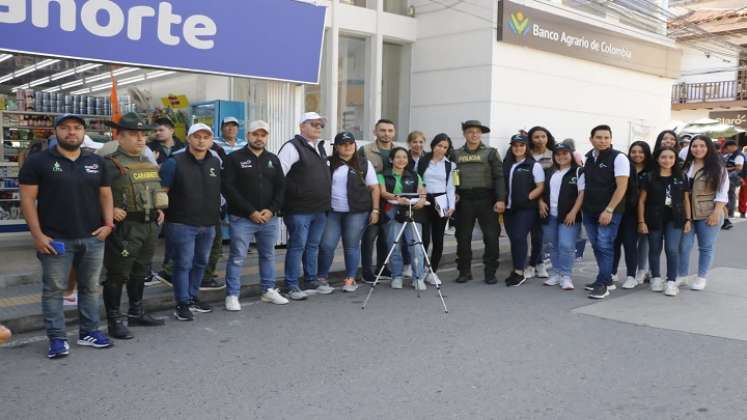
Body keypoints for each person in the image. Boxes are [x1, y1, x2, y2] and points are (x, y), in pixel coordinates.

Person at [19, 113, 114, 358]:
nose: (71, 132)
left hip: (93, 237)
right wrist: (38, 235)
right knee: (54, 290)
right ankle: (57, 339)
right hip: (55, 239)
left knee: (90, 288)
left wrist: (109, 225)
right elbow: (27, 200)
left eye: (76, 128)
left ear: (84, 133)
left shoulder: (96, 162)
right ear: (56, 132)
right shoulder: (38, 162)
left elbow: (105, 195)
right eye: (65, 128)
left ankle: (89, 332)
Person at [100, 113, 167, 339]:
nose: (140, 139)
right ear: (119, 137)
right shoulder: (110, 164)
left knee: (141, 271)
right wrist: (108, 212)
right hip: (126, 228)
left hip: (148, 226)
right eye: (133, 135)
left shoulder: (148, 162)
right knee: (118, 274)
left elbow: (152, 189)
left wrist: (159, 209)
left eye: (142, 135)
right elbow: (92, 194)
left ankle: (136, 312)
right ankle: (114, 320)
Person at [222, 120, 288, 310]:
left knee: (268, 255)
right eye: (255, 134)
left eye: (263, 135)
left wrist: (272, 209)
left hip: (269, 218)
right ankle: (232, 294)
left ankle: (268, 290)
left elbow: (281, 187)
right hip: (242, 218)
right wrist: (250, 211)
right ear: (248, 135)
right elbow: (228, 188)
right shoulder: (234, 158)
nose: (259, 138)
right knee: (237, 256)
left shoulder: (273, 159)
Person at [159, 123, 222, 321]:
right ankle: (182, 302)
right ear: (188, 138)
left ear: (211, 140)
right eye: (197, 136)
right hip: (181, 224)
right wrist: (160, 214)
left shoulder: (214, 161)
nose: (201, 140)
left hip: (208, 223)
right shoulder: (174, 162)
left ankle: (193, 297)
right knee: (183, 264)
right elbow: (162, 192)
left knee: (201, 262)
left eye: (206, 137)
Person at [278, 112, 332, 300]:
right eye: (313, 124)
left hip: (319, 208)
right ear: (302, 126)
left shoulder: (320, 147)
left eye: (320, 125)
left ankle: (310, 279)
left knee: (312, 246)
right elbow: (278, 176)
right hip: (299, 208)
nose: (318, 127)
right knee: (297, 246)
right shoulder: (292, 147)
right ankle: (291, 285)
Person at [318, 132, 380, 292]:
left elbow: (374, 188)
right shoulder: (328, 163)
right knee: (326, 245)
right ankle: (322, 278)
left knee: (351, 246)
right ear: (337, 147)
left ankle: (350, 279)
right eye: (343, 144)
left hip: (357, 212)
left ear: (355, 145)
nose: (347, 147)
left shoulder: (364, 163)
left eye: (350, 143)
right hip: (333, 212)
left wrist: (375, 209)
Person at [453, 120, 506, 284]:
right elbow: (453, 176)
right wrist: (453, 193)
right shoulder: (455, 153)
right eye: (470, 131)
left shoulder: (491, 152)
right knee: (463, 237)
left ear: (481, 134)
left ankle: (490, 272)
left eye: (477, 132)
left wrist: (501, 199)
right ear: (464, 134)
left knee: (491, 237)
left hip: (486, 199)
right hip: (464, 200)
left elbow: (499, 177)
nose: (474, 135)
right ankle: (464, 271)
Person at [582, 125, 630, 300]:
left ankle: (603, 284)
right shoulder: (589, 158)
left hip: (609, 211)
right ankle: (606, 278)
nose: (602, 141)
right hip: (589, 211)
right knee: (597, 246)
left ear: (611, 139)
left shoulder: (619, 158)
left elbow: (622, 186)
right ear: (591, 139)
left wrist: (609, 210)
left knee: (604, 245)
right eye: (599, 137)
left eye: (606, 138)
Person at [638, 147, 691, 297]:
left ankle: (671, 282)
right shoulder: (649, 177)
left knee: (672, 249)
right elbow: (642, 201)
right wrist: (641, 221)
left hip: (675, 218)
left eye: (670, 157)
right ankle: (655, 278)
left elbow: (686, 200)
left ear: (675, 160)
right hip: (653, 217)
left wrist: (688, 219)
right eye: (663, 157)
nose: (667, 160)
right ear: (657, 159)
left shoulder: (682, 177)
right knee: (654, 249)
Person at [678, 135, 729, 290]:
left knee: (706, 247)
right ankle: (682, 275)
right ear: (689, 148)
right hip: (687, 214)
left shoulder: (717, 168)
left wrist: (716, 212)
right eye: (694, 146)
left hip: (708, 213)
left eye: (702, 146)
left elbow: (722, 192)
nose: (698, 149)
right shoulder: (685, 166)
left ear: (708, 148)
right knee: (684, 246)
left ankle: (701, 277)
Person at [378, 147, 428, 290]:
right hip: (392, 211)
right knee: (394, 244)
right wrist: (398, 198)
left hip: (412, 211)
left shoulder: (414, 175)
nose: (402, 160)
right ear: (391, 160)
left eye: (404, 157)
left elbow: (421, 191)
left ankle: (418, 277)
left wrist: (422, 200)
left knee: (416, 245)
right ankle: (397, 276)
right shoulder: (383, 175)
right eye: (398, 157)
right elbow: (383, 192)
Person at [539, 143, 584, 290]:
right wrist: (540, 202)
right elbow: (540, 190)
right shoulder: (549, 172)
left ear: (571, 155)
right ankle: (556, 273)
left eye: (565, 153)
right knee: (553, 245)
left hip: (569, 216)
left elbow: (582, 194)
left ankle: (566, 276)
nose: (561, 156)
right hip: (549, 215)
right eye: (558, 154)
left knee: (566, 245)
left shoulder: (578, 171)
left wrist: (573, 212)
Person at [502, 134, 545, 286]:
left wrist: (528, 197)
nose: (518, 148)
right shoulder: (506, 164)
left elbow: (540, 186)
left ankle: (519, 272)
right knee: (514, 239)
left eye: (521, 145)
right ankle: (516, 269)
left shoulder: (534, 165)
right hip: (508, 209)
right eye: (515, 145)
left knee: (519, 237)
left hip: (526, 209)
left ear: (526, 147)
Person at [359, 119, 396, 284]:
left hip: (392, 201)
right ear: (375, 132)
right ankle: (367, 271)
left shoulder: (400, 151)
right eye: (382, 130)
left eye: (389, 131)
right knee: (369, 237)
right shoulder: (365, 150)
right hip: (371, 201)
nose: (386, 134)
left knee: (386, 236)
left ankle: (383, 268)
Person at [416, 133, 456, 280]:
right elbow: (417, 180)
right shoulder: (422, 161)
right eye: (439, 145)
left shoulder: (450, 165)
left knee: (438, 238)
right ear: (433, 145)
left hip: (441, 200)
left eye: (445, 147)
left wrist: (451, 206)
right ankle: (421, 269)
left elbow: (451, 188)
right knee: (424, 238)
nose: (441, 149)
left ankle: (433, 271)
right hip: (425, 199)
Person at [616, 141, 652, 289]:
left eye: (641, 152)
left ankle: (632, 275)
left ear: (646, 154)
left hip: (640, 213)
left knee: (631, 244)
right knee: (615, 243)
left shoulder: (651, 171)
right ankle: (612, 273)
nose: (637, 154)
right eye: (634, 151)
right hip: (621, 210)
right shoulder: (624, 167)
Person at [525, 126, 555, 279]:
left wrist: (541, 200)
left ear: (548, 137)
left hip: (546, 200)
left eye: (543, 136)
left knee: (538, 234)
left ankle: (537, 263)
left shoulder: (554, 155)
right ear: (530, 139)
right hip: (527, 198)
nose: (540, 139)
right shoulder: (526, 154)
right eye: (536, 137)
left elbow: (549, 181)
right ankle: (535, 263)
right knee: (528, 234)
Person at [720, 139, 743, 230]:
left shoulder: (738, 155)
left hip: (733, 178)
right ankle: (729, 214)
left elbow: (739, 168)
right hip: (729, 177)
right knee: (729, 195)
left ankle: (730, 214)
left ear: (731, 147)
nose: (726, 150)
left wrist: (726, 169)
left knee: (730, 195)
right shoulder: (732, 154)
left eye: (727, 148)